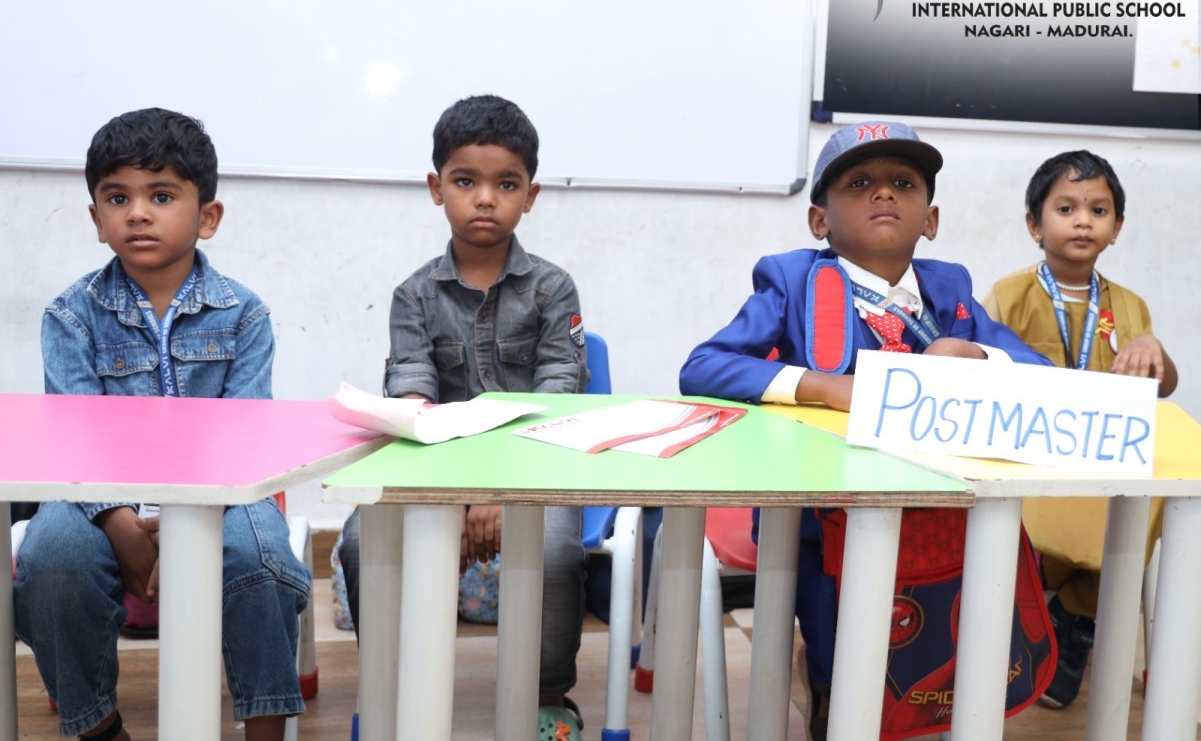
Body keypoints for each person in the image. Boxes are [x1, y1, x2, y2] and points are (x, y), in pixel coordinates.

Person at [679, 120, 1052, 739]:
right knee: (843, 660)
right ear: (819, 220)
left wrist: (975, 354)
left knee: (948, 645)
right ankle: (828, 692)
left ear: (930, 219)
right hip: (822, 520)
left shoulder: (950, 289)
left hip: (937, 518)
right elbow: (704, 366)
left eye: (903, 183)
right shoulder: (791, 280)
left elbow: (1037, 369)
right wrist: (822, 386)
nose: (883, 193)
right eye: (859, 183)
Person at [13, 108, 308, 741]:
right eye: (118, 198)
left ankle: (264, 730)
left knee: (262, 560)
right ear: (97, 220)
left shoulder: (245, 315)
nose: (138, 213)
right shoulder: (70, 316)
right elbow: (75, 440)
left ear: (208, 216)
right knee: (52, 558)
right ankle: (99, 728)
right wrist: (123, 525)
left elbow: (243, 439)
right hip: (93, 494)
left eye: (162, 196)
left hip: (224, 492)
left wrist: (184, 522)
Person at [338, 94, 589, 739]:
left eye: (506, 184)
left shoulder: (553, 289)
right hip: (436, 472)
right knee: (362, 541)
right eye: (465, 181)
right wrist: (460, 494)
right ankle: (391, 684)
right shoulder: (413, 295)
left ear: (530, 196)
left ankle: (547, 694)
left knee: (557, 551)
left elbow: (559, 398)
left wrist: (501, 492)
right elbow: (412, 403)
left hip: (536, 469)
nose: (484, 199)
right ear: (436, 188)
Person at [983, 150, 1177, 709]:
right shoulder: (1009, 295)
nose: (1083, 221)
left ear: (1117, 228)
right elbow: (978, 367)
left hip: (1104, 464)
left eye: (1099, 210)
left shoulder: (1130, 308)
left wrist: (1153, 348)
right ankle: (1052, 612)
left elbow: (1163, 387)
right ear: (1034, 224)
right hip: (1028, 459)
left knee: (1146, 502)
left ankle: (1073, 618)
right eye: (1066, 208)